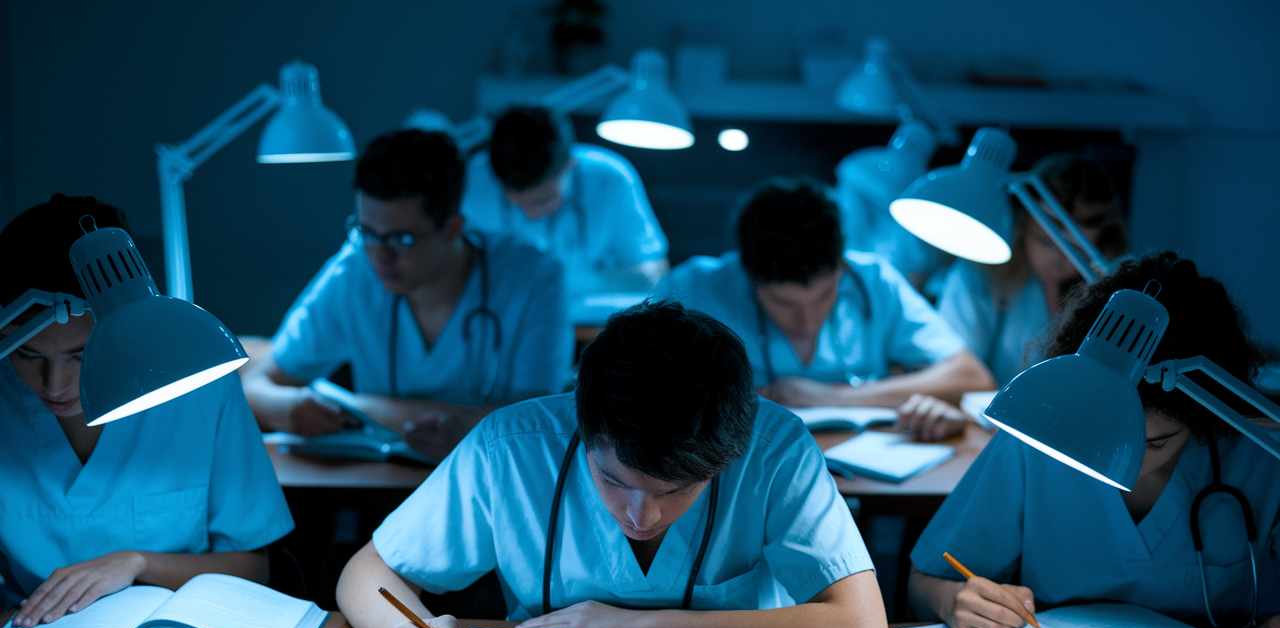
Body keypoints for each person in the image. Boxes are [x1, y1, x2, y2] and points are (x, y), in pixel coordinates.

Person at [336, 300, 889, 628]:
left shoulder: (774, 447)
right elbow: (371, 571)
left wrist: (631, 627)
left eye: (675, 489)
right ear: (582, 422)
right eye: (613, 480)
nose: (640, 515)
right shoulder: (511, 446)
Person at [909, 252, 1280, 628]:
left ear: (1204, 422)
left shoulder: (1258, 456)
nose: (1127, 462)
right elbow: (924, 581)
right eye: (1107, 436)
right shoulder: (1042, 437)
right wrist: (953, 602)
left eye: (1156, 443)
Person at [0, 194, 293, 627]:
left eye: (83, 356)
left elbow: (254, 569)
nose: (54, 386)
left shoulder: (199, 386)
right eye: (26, 355)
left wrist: (136, 563)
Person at [243, 130, 573, 462]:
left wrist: (364, 408)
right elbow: (257, 383)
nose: (380, 256)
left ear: (452, 228)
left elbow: (541, 421)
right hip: (380, 491)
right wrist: (285, 408)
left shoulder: (535, 278)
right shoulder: (354, 270)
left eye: (401, 239)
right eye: (368, 233)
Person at [656, 178, 995, 442]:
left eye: (824, 296)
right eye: (785, 304)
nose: (808, 323)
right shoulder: (695, 289)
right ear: (747, 275)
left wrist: (835, 397)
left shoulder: (872, 279)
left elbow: (971, 375)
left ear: (843, 266)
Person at [936, 153, 1129, 386]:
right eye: (1044, 241)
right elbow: (950, 368)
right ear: (1022, 228)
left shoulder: (1111, 297)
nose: (1057, 260)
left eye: (1078, 250)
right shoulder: (981, 275)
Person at [460, 105, 669, 317]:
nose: (532, 215)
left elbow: (655, 273)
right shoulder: (475, 182)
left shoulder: (611, 181)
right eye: (517, 203)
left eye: (543, 201)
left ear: (571, 164)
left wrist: (587, 282)